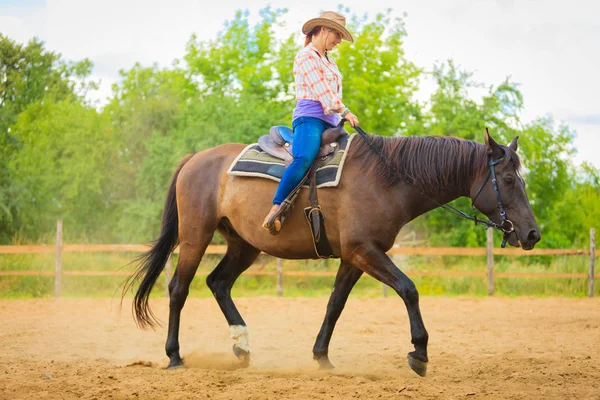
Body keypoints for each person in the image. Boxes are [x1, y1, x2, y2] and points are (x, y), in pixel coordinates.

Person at [262, 11, 360, 233]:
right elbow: (323, 92)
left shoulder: (330, 62)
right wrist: (346, 111)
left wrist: (339, 115)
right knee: (304, 157)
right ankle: (276, 207)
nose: (338, 41)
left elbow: (332, 94)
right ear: (324, 30)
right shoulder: (305, 56)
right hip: (310, 118)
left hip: (332, 121)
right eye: (337, 35)